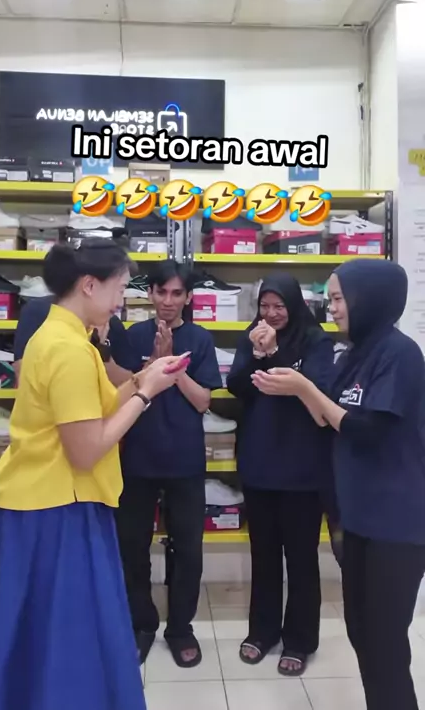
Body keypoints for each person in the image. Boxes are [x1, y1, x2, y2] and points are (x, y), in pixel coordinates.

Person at [0, 240, 189, 710]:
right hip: (54, 514)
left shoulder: (61, 336)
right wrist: (145, 396)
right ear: (88, 285)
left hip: (43, 504)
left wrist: (143, 379)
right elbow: (87, 449)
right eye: (119, 288)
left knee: (36, 641)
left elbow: (94, 408)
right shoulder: (68, 350)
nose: (122, 300)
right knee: (65, 643)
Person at [253, 259, 425, 710]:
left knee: (385, 643)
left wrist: (306, 389)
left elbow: (367, 430)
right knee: (362, 634)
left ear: (368, 299)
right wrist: (296, 386)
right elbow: (325, 418)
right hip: (357, 516)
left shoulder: (400, 354)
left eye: (337, 298)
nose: (331, 308)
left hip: (396, 523)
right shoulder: (353, 353)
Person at [227, 273, 335, 676]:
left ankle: (300, 640)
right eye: (264, 306)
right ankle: (263, 631)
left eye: (279, 306)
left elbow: (314, 393)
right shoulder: (252, 336)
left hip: (303, 468)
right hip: (260, 462)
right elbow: (237, 386)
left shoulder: (316, 341)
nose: (271, 314)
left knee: (302, 560)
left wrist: (273, 354)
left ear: (295, 305)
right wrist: (257, 355)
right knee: (264, 556)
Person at [116, 260, 221, 669]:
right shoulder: (132, 335)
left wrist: (172, 367)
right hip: (137, 459)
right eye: (161, 292)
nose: (168, 300)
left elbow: (203, 401)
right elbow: (123, 392)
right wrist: (152, 366)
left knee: (188, 550)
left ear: (189, 297)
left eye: (177, 293)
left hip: (184, 461)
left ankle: (180, 629)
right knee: (132, 547)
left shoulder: (200, 338)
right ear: (150, 293)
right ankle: (142, 624)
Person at [14, 293, 134, 386]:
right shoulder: (38, 311)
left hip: (95, 406)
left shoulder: (111, 322)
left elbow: (128, 381)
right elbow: (23, 376)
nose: (119, 302)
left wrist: (99, 350)